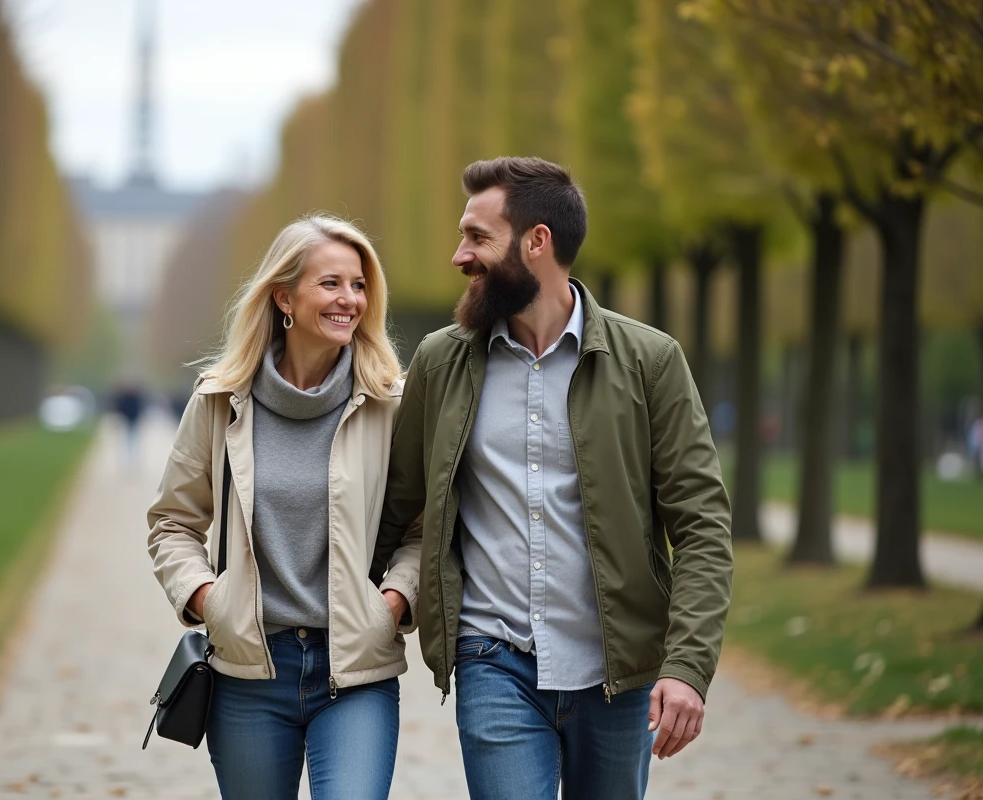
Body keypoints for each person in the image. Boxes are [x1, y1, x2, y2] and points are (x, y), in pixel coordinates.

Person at [371, 157, 734, 800]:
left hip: (616, 676)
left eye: (478, 238)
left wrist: (687, 668)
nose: (460, 255)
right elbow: (397, 508)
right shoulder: (440, 362)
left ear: (537, 242)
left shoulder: (650, 362)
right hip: (492, 659)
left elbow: (702, 526)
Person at [147, 215, 420, 800]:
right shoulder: (219, 400)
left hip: (355, 673)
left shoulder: (391, 404)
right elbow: (173, 522)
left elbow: (424, 530)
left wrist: (393, 603)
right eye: (330, 283)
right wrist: (207, 600)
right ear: (283, 297)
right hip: (248, 672)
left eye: (359, 284)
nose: (350, 299)